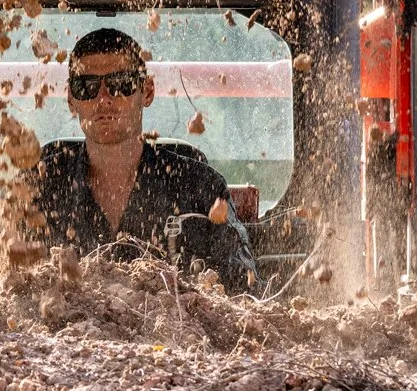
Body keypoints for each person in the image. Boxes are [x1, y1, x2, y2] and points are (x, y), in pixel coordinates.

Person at [32, 26, 257, 293]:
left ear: (147, 90)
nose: (104, 98)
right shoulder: (38, 187)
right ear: (71, 98)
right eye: (87, 87)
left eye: (121, 84)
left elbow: (243, 290)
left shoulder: (200, 187)